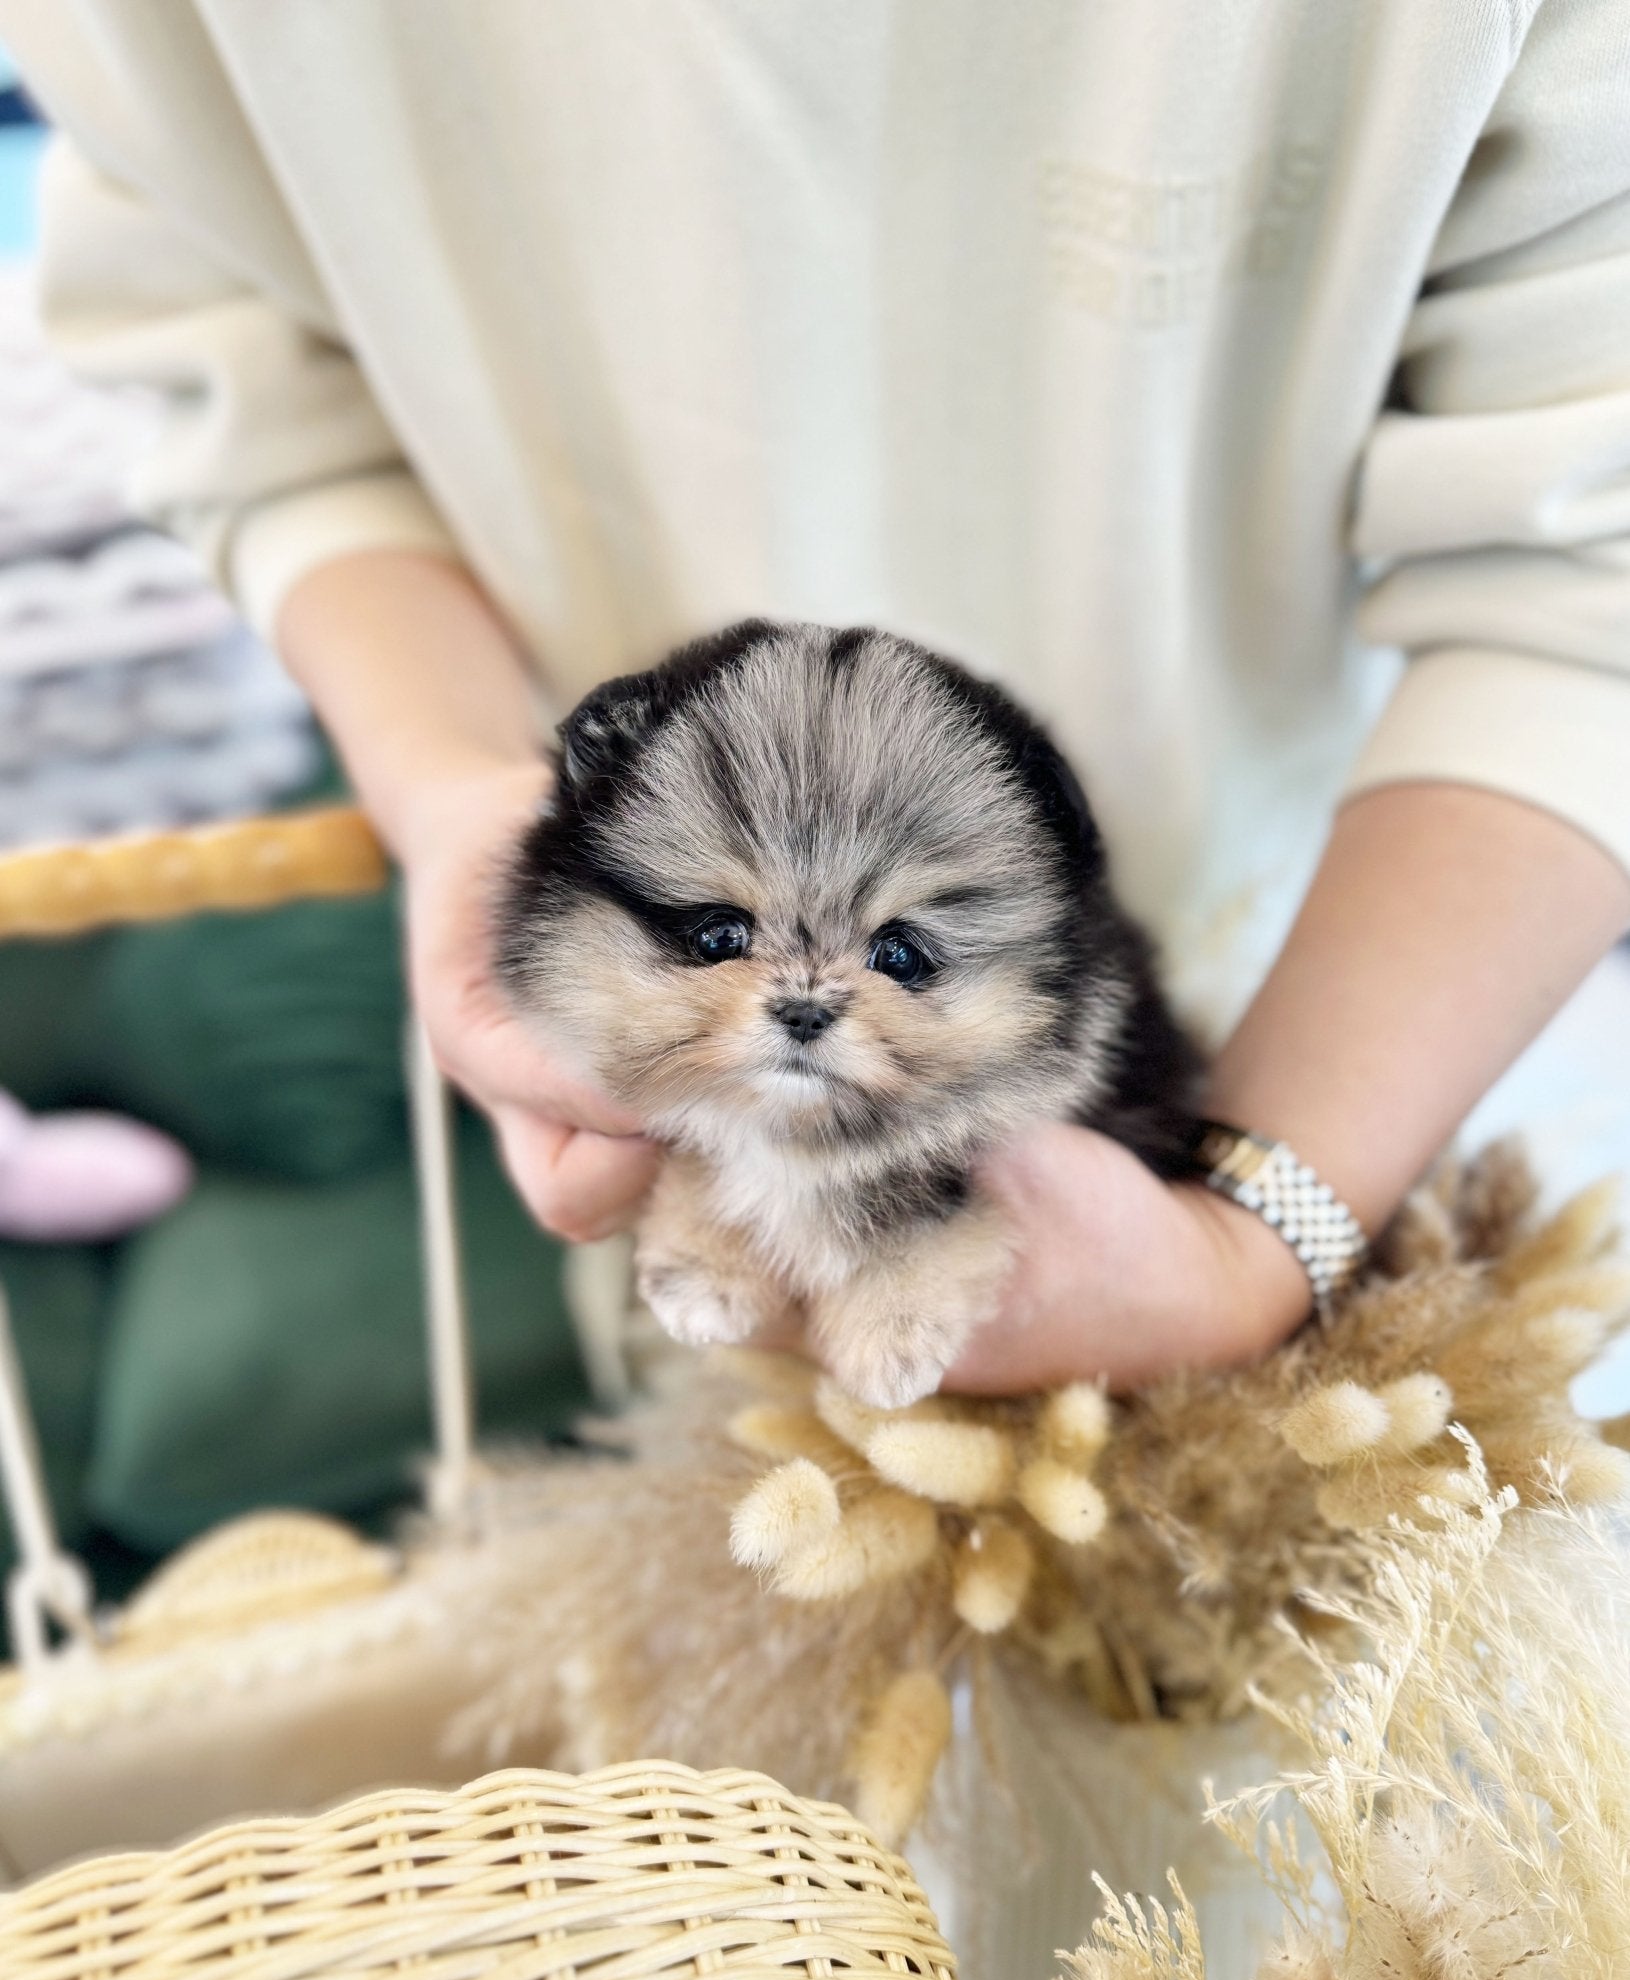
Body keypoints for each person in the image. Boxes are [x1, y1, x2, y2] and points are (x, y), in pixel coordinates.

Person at [4, 2, 1628, 1396]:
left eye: (898, 956)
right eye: (717, 938)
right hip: (668, 1200)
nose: (794, 994)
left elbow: (1586, 552)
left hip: (1391, 1012)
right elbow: (227, 349)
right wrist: (445, 782)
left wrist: (1265, 1213)